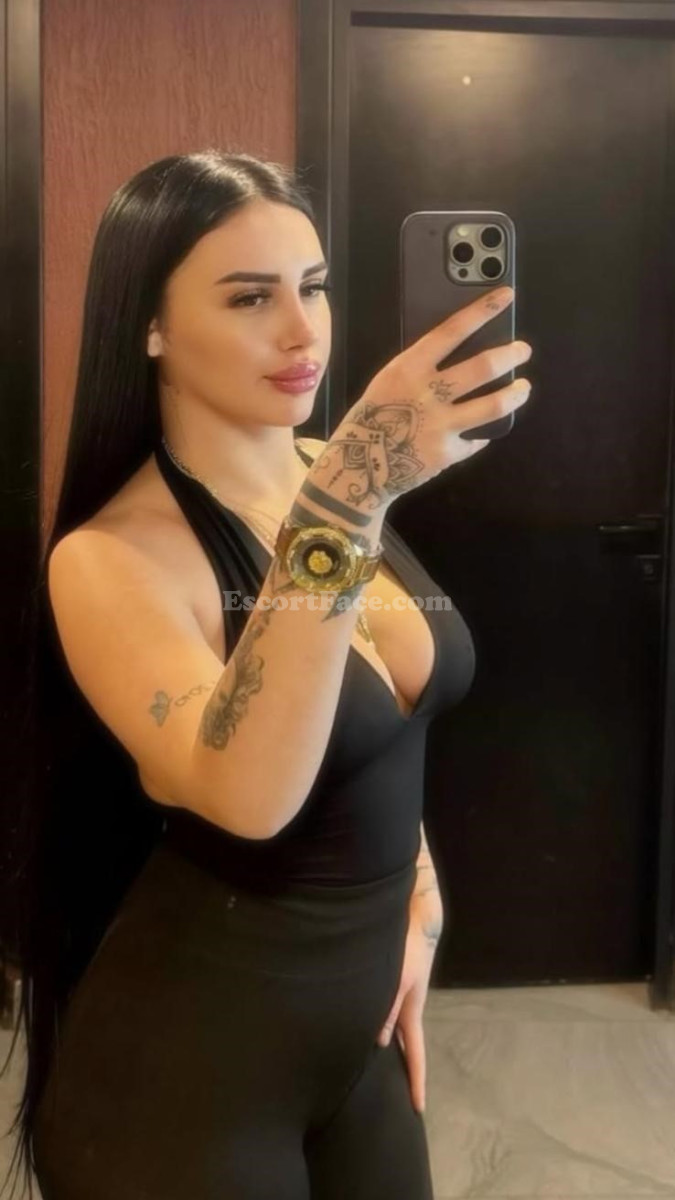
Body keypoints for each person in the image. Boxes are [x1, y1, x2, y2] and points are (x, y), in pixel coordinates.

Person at [1, 149, 532, 1200]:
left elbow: (387, 727)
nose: (303, 333)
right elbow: (249, 794)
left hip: (356, 1045)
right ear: (149, 325)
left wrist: (417, 902)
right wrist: (348, 498)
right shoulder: (112, 560)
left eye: (314, 287)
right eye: (251, 298)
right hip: (184, 1078)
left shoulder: (322, 471)